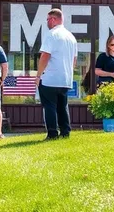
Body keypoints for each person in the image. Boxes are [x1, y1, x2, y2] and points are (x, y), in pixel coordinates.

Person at [35, 8, 77, 140]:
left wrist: (38, 75)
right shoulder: (71, 37)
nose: (47, 22)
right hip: (65, 78)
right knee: (63, 106)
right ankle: (65, 132)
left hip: (50, 78)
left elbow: (45, 55)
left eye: (48, 19)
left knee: (49, 106)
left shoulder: (51, 34)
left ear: (54, 19)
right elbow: (74, 60)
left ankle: (52, 133)